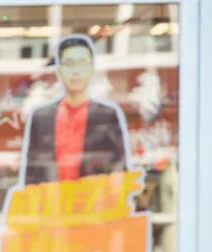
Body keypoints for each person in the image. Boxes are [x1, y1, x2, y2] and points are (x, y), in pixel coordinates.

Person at [19, 35, 131, 187]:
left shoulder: (107, 115)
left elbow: (120, 169)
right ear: (59, 70)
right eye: (69, 64)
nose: (76, 71)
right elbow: (31, 173)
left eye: (82, 63)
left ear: (91, 69)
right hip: (52, 198)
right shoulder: (40, 117)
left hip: (92, 199)